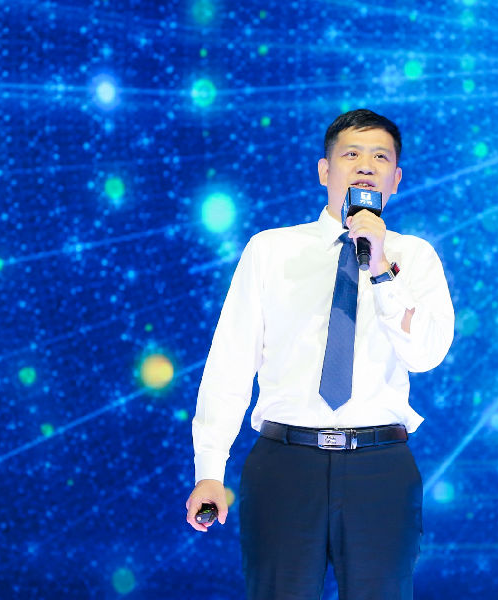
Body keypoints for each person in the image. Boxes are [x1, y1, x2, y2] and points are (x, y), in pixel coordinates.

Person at [185, 109, 455, 599]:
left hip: (380, 467)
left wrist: (380, 268)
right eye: (351, 154)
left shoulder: (415, 258)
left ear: (396, 179)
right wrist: (209, 472)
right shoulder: (270, 250)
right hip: (285, 465)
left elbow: (426, 356)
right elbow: (230, 364)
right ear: (324, 171)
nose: (366, 165)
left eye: (380, 157)